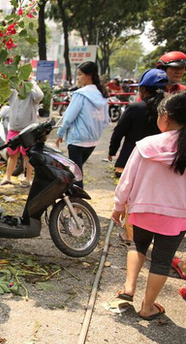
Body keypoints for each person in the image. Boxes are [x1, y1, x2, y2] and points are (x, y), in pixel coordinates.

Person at [112, 91, 186, 320]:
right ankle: (148, 307)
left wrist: (119, 205)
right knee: (163, 261)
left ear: (164, 116)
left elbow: (127, 179)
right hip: (177, 215)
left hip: (143, 208)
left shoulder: (147, 144)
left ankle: (129, 287)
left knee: (138, 245)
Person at [109, 69, 167, 243]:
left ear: (143, 90)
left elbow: (119, 131)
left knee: (128, 200)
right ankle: (148, 234)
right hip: (158, 164)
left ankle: (130, 236)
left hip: (129, 160)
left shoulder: (135, 108)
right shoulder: (167, 110)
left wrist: (112, 151)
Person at [55, 61, 109, 188]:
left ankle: (77, 205)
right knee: (76, 172)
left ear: (88, 76)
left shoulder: (81, 94)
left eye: (80, 75)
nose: (78, 78)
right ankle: (75, 203)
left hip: (77, 141)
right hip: (93, 141)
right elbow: (106, 120)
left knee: (76, 176)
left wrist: (60, 133)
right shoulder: (102, 94)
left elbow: (68, 117)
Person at [1, 82, 44, 186]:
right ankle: (8, 177)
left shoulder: (32, 92)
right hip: (13, 128)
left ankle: (27, 179)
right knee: (12, 153)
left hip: (28, 128)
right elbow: (3, 95)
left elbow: (39, 96)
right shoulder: (13, 91)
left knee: (28, 155)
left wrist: (31, 83)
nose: (20, 84)